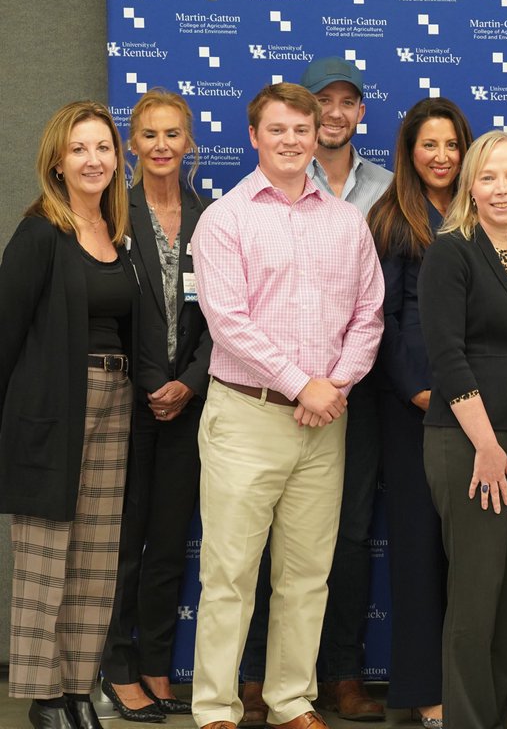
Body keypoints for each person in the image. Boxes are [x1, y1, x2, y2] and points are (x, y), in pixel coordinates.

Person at [189, 82, 383, 729]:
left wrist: (336, 386)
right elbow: (229, 323)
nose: (293, 140)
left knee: (306, 575)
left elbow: (370, 317)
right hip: (248, 415)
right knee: (230, 574)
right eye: (278, 130)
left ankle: (290, 702)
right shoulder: (227, 219)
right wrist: (305, 383)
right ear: (254, 137)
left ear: (318, 134)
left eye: (302, 129)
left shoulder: (347, 222)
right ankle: (216, 708)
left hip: (325, 422)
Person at [239, 56, 393, 726]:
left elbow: (380, 301)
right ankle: (258, 680)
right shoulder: (254, 197)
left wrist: (332, 384)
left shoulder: (388, 189)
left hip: (354, 392)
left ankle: (343, 677)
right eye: (320, 103)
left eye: (346, 102)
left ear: (361, 112)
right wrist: (300, 384)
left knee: (346, 540)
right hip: (273, 393)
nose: (332, 114)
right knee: (263, 543)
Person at [417, 130, 507, 729]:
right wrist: (484, 444)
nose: (502, 189)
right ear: (469, 186)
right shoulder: (451, 251)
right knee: (475, 599)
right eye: (489, 177)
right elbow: (447, 356)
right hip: (470, 443)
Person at [1, 101, 140, 729]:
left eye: (104, 148)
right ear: (58, 160)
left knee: (96, 554)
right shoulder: (39, 234)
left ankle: (79, 686)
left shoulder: (120, 236)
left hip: (117, 400)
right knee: (44, 553)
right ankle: (42, 693)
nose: (94, 160)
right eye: (80, 149)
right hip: (52, 409)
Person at [99, 89, 211, 724]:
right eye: (150, 135)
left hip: (190, 403)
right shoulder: (115, 214)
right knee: (122, 542)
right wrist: (149, 382)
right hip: (127, 401)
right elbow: (109, 307)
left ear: (188, 142)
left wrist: (189, 382)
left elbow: (223, 317)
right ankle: (117, 668)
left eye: (173, 134)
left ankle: (156, 666)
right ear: (131, 144)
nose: (163, 146)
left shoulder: (208, 216)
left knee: (170, 543)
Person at [367, 96, 473, 729]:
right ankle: (424, 693)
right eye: (428, 145)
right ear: (409, 152)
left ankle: (467, 685)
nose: (440, 156)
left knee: (470, 555)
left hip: (477, 412)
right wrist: (417, 391)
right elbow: (379, 318)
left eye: (451, 145)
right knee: (416, 551)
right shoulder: (389, 217)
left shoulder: (482, 214)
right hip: (414, 411)